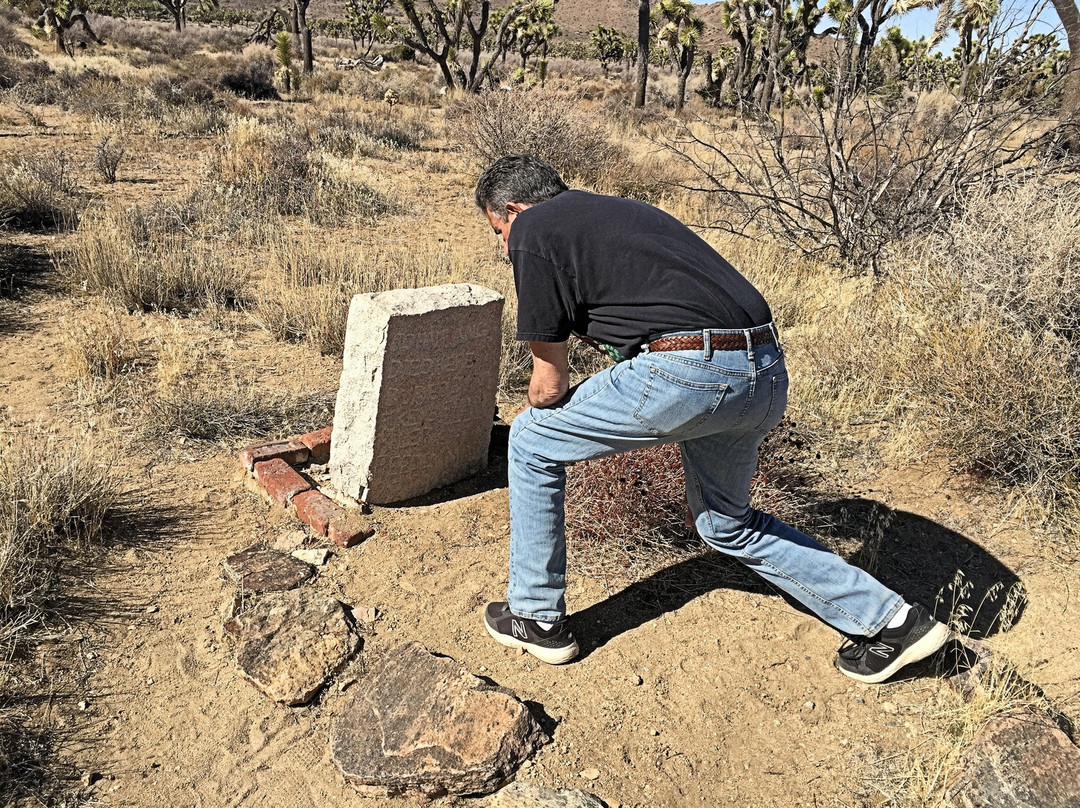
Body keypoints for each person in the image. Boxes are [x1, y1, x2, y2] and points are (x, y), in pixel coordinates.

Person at [475, 154, 949, 684]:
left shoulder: (534, 228)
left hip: (690, 370)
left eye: (498, 232)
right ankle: (893, 622)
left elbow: (549, 384)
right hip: (764, 371)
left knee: (531, 439)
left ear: (513, 210)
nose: (504, 246)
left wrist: (535, 407)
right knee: (726, 524)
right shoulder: (621, 212)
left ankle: (535, 617)